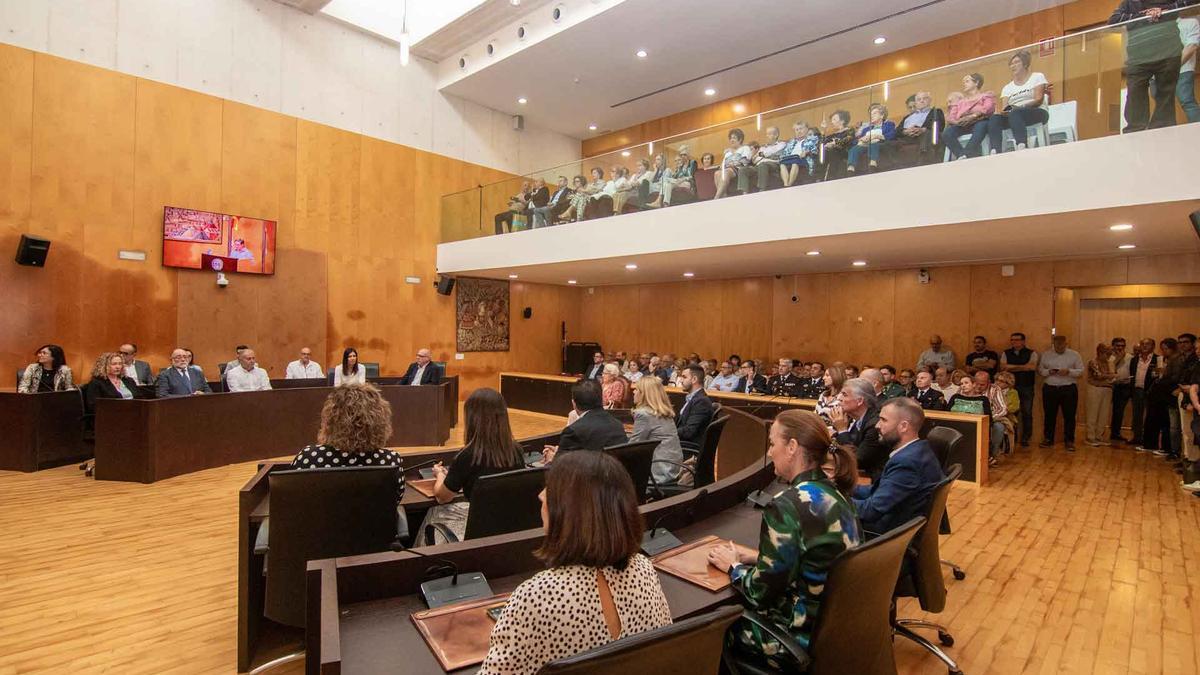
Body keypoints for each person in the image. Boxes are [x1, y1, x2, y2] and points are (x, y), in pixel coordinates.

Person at [480, 451, 671, 675]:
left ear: (571, 513)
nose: (542, 495)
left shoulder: (535, 597)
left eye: (552, 490)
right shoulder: (644, 569)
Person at [708, 410, 861, 670]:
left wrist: (733, 566)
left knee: (710, 629)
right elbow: (816, 557)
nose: (769, 452)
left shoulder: (786, 506)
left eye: (772, 443)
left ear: (791, 447)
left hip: (795, 636)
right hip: (834, 629)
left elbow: (759, 594)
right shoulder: (835, 492)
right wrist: (758, 557)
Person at [424, 388, 527, 544]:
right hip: (509, 531)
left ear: (472, 418)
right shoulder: (516, 450)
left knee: (433, 512)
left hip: (478, 536)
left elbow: (442, 497)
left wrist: (440, 475)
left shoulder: (467, 456)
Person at [853, 398, 945, 535]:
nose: (877, 425)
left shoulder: (907, 463)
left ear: (903, 426)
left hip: (888, 537)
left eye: (883, 420)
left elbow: (870, 511)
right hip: (901, 525)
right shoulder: (920, 449)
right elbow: (879, 491)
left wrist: (831, 498)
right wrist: (847, 488)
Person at [288, 383, 404, 489]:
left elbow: (294, 499)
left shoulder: (309, 458)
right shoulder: (391, 461)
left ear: (330, 420)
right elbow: (394, 500)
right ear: (380, 422)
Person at [1108, 0, 1192, 132]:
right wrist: (1144, 16)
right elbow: (1113, 21)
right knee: (1135, 91)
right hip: (1138, 56)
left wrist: (1164, 10)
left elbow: (1192, 3)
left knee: (1165, 92)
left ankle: (1162, 129)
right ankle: (1135, 130)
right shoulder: (1130, 2)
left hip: (1168, 51)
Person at [545, 380, 627, 460]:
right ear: (600, 400)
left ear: (574, 403)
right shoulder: (617, 425)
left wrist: (552, 460)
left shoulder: (573, 431)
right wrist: (560, 451)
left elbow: (562, 467)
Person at [987, 50, 1050, 153]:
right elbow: (1005, 108)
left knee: (1015, 112)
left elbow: (1038, 99)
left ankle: (1022, 145)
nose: (1013, 66)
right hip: (1014, 115)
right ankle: (995, 150)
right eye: (1011, 64)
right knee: (995, 118)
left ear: (1025, 63)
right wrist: (1009, 110)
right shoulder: (1007, 87)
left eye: (1016, 62)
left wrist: (1021, 107)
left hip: (1036, 111)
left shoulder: (1037, 77)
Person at [628, 377, 685, 485]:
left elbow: (631, 447)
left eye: (637, 389)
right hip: (674, 467)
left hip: (659, 472)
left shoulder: (643, 414)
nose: (633, 391)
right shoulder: (664, 412)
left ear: (644, 393)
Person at [830, 377, 889, 479]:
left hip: (871, 480)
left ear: (860, 401)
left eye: (844, 394)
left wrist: (842, 430)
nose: (839, 398)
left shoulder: (875, 425)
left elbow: (857, 460)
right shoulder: (853, 418)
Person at [1039, 335, 1084, 450]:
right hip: (1050, 388)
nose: (1059, 346)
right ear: (1053, 344)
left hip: (1068, 388)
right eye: (1056, 344)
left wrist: (1069, 371)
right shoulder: (1046, 354)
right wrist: (1049, 371)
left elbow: (1080, 371)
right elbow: (1041, 370)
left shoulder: (1074, 355)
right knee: (1049, 415)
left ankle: (1069, 441)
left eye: (1061, 344)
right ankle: (1048, 439)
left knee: (1069, 416)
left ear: (1066, 343)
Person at [943, 73, 996, 159]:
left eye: (967, 81)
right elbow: (952, 116)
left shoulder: (985, 96)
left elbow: (989, 108)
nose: (964, 83)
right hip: (963, 123)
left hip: (979, 120)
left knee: (981, 126)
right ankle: (962, 155)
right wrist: (957, 122)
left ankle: (967, 153)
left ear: (976, 83)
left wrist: (973, 116)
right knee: (947, 133)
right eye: (964, 82)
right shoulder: (961, 102)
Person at [1001, 332, 1039, 447]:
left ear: (1023, 341)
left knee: (1027, 412)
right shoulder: (1005, 353)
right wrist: (1023, 367)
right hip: (1011, 387)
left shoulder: (1032, 353)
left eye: (1017, 340)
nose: (1014, 342)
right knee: (1011, 412)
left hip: (1027, 387)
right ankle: (1013, 437)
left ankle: (1026, 438)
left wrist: (1012, 367)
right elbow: (1003, 367)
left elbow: (1032, 367)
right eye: (1012, 340)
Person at [895, 90, 946, 164]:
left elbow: (939, 126)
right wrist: (906, 131)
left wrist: (922, 129)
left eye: (925, 98)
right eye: (919, 99)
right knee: (889, 143)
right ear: (916, 103)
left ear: (929, 100)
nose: (922, 101)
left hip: (924, 137)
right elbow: (897, 131)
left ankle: (923, 159)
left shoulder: (936, 111)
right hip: (908, 138)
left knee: (927, 134)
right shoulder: (907, 117)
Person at [846, 103, 896, 173]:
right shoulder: (866, 129)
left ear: (882, 115)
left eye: (874, 113)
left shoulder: (888, 124)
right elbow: (855, 141)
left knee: (873, 144)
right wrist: (861, 139)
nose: (871, 116)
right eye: (870, 114)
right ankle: (851, 168)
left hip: (880, 143)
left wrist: (876, 136)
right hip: (865, 144)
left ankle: (873, 164)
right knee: (854, 149)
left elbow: (892, 134)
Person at [675, 365, 715, 450]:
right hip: (679, 443)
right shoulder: (693, 398)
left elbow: (689, 431)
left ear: (694, 379)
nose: (681, 380)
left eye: (684, 377)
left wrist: (666, 432)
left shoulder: (701, 402)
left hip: (685, 447)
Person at [1085, 343, 1118, 446]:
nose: (1109, 356)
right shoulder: (1093, 362)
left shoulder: (1110, 362)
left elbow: (1113, 376)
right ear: (1100, 352)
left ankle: (1099, 436)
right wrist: (1112, 375)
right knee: (1093, 413)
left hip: (1108, 389)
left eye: (1110, 353)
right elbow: (1098, 375)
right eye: (1107, 353)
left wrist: (1115, 377)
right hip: (1095, 388)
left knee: (1104, 414)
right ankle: (1090, 437)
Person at [1130, 337, 1160, 447]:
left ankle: (1148, 439)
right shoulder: (1134, 359)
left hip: (1150, 391)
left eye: (1148, 344)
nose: (1145, 346)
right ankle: (1137, 437)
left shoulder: (1158, 359)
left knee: (1150, 416)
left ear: (1153, 346)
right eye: (1143, 344)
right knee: (1136, 415)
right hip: (1137, 390)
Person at [975, 371, 1010, 460]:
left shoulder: (995, 389)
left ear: (989, 382)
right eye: (977, 384)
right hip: (971, 419)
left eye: (982, 385)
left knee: (999, 427)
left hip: (991, 419)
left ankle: (991, 455)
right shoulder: (969, 386)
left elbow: (1003, 409)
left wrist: (988, 419)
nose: (978, 387)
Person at [741, 125, 787, 192]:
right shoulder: (763, 147)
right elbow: (755, 160)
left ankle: (762, 190)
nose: (767, 136)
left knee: (763, 165)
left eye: (769, 134)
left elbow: (774, 153)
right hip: (759, 165)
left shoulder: (781, 144)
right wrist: (762, 155)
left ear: (776, 135)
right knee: (743, 170)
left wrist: (762, 155)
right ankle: (744, 192)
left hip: (773, 164)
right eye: (767, 134)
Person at [1109, 337, 1134, 444]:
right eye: (1118, 345)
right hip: (1115, 386)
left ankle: (1121, 433)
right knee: (1116, 411)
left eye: (1122, 346)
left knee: (1123, 411)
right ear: (1113, 346)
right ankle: (1114, 433)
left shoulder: (1130, 357)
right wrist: (1119, 358)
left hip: (1128, 386)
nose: (1120, 348)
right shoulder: (1109, 357)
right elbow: (1110, 369)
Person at [715, 128, 752, 199]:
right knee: (717, 173)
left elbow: (746, 161)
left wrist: (733, 162)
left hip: (740, 169)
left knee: (726, 172)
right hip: (728, 169)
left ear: (740, 139)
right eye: (731, 138)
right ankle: (724, 195)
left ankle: (717, 197)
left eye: (734, 138)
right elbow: (722, 165)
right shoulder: (728, 152)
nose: (731, 140)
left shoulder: (745, 148)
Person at [818, 110, 855, 180]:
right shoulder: (832, 134)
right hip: (832, 154)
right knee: (822, 152)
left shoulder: (849, 130)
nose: (832, 122)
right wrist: (823, 131)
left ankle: (831, 177)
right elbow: (821, 143)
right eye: (832, 120)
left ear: (842, 121)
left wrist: (834, 144)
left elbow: (847, 140)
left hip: (845, 153)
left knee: (832, 151)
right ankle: (820, 177)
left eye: (834, 119)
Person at [779, 120, 819, 186]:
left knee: (795, 162)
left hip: (803, 159)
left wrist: (806, 151)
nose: (799, 131)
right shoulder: (792, 142)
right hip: (791, 159)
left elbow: (815, 150)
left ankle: (789, 184)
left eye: (801, 129)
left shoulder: (812, 139)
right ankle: (785, 184)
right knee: (782, 164)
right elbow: (785, 153)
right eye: (796, 130)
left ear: (807, 129)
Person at [1178, 15, 1200, 123]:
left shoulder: (1190, 22)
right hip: (1158, 72)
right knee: (1162, 105)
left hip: (1184, 69)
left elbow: (1192, 46)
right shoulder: (1156, 27)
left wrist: (1174, 66)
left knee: (1186, 100)